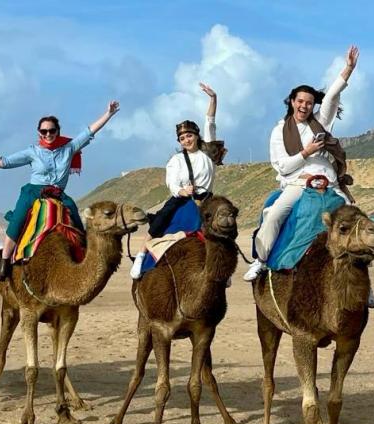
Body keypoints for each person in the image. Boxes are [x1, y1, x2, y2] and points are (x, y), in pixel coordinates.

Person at [0, 101, 120, 281]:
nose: (48, 134)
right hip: (34, 191)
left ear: (57, 131)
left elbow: (89, 131)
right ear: (39, 133)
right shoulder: (32, 152)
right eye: (44, 131)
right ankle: (4, 262)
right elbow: (5, 162)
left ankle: (83, 258)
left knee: (76, 220)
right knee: (18, 220)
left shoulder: (69, 148)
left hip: (58, 193)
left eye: (51, 131)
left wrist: (109, 114)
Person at [243, 45, 359, 282]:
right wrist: (306, 152)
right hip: (298, 184)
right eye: (300, 101)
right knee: (275, 215)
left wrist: (347, 69)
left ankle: (362, 282)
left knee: (356, 220)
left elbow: (333, 95)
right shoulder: (278, 131)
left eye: (309, 102)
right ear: (292, 102)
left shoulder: (321, 122)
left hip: (329, 185)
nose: (305, 106)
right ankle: (261, 261)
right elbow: (283, 167)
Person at [145, 82, 219, 238]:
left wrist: (213, 98)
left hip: (206, 200)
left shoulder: (208, 153)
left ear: (197, 136)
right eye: (182, 138)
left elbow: (210, 123)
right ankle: (141, 255)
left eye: (189, 136)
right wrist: (182, 191)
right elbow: (172, 182)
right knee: (160, 220)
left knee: (227, 221)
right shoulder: (176, 160)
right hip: (182, 199)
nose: (186, 140)